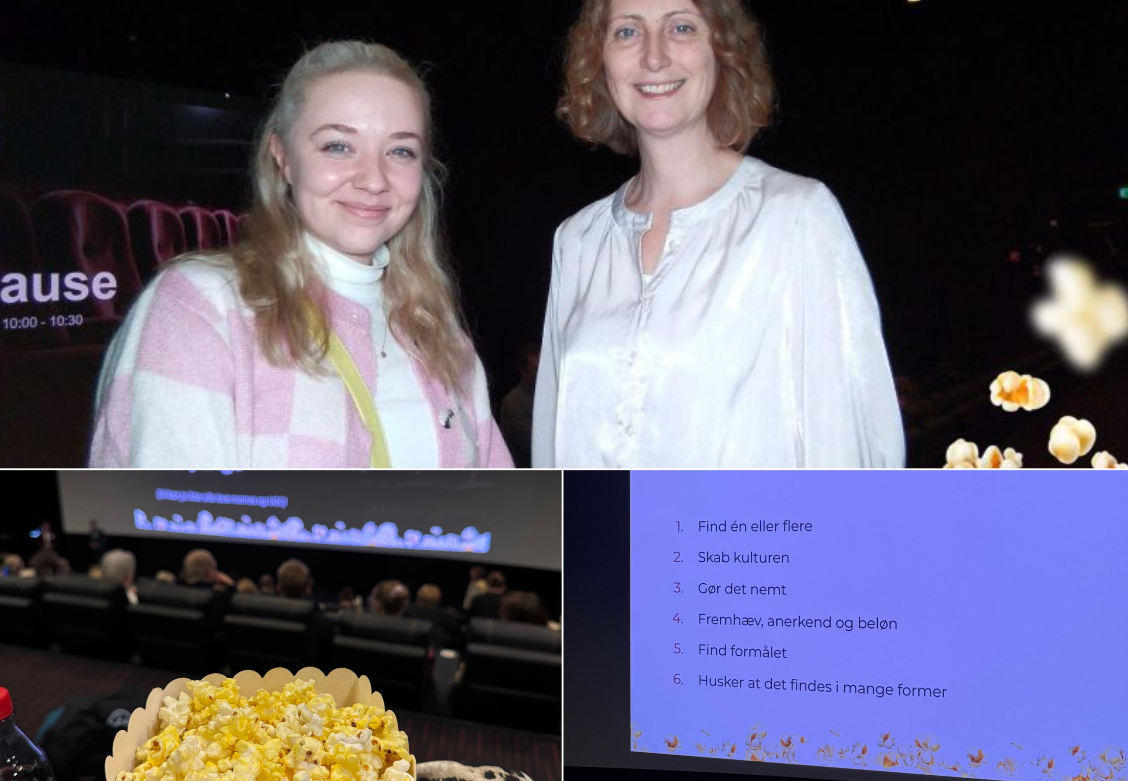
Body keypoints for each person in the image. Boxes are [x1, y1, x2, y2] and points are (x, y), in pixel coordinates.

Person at [89, 40, 512, 468]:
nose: (374, 179)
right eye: (338, 146)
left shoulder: (440, 335)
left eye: (400, 151)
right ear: (283, 158)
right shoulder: (203, 308)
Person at [533, 0, 904, 467]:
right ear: (599, 60)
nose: (653, 56)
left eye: (682, 27)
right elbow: (552, 444)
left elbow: (848, 446)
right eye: (627, 32)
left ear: (723, 49)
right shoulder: (578, 241)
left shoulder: (794, 217)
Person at [498, 343, 540, 468]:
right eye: (535, 369)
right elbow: (535, 444)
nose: (541, 373)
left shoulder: (549, 395)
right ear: (523, 371)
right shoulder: (513, 404)